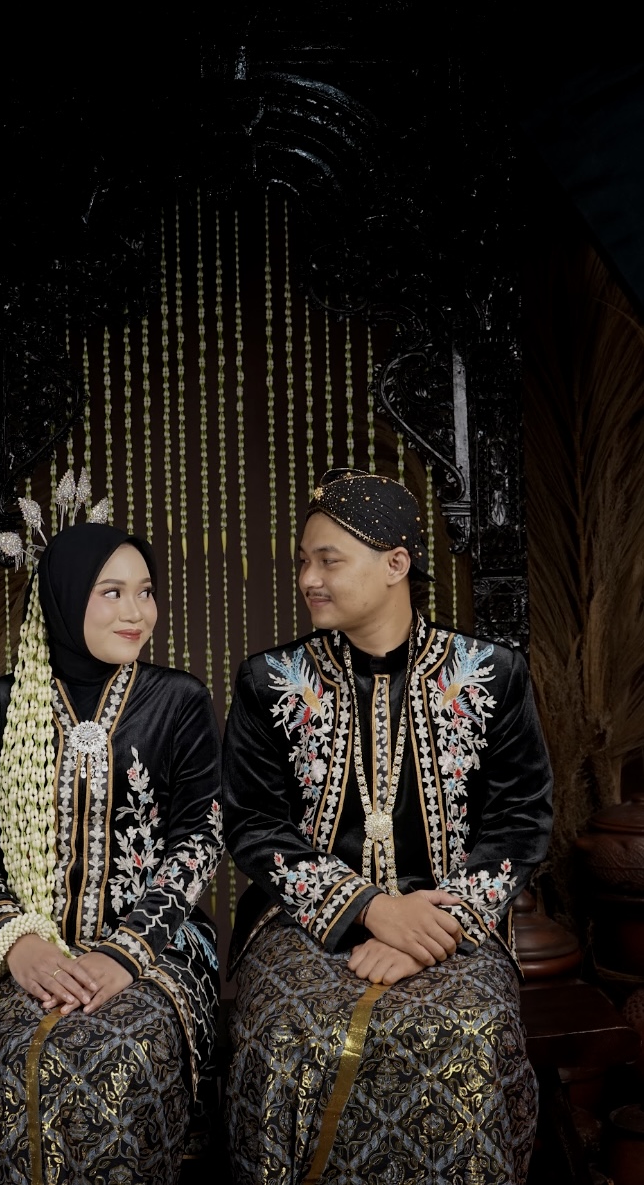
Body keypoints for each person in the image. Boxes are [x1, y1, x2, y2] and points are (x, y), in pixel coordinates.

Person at [222, 467, 553, 1185]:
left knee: (466, 1034)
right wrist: (371, 910)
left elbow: (521, 820)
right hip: (304, 926)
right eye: (303, 561)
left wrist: (434, 930)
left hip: (452, 923)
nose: (308, 579)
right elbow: (253, 825)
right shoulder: (269, 681)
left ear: (396, 563)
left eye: (328, 560)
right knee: (290, 1036)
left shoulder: (493, 673)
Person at [0, 512, 223, 1185]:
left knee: (120, 1056)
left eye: (146, 591)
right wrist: (19, 943)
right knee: (15, 1054)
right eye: (113, 592)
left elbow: (200, 841)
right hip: (25, 951)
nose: (137, 612)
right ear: (63, 595)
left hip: (157, 951)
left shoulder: (179, 701)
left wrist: (124, 954)